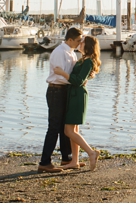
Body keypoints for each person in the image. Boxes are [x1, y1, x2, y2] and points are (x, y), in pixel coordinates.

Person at [38, 27, 82, 173]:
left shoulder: (71, 52)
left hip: (64, 90)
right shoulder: (59, 52)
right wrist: (77, 81)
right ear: (70, 39)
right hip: (56, 89)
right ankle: (45, 161)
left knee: (65, 126)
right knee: (54, 126)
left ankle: (67, 157)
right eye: (77, 40)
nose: (79, 42)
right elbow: (62, 74)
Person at [55, 35, 101, 171]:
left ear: (88, 46)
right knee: (73, 130)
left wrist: (62, 73)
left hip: (77, 96)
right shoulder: (84, 60)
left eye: (82, 42)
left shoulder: (88, 61)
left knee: (68, 131)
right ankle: (75, 161)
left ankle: (91, 152)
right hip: (74, 94)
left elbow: (78, 80)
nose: (80, 44)